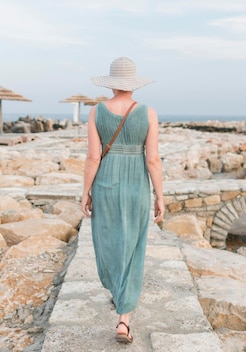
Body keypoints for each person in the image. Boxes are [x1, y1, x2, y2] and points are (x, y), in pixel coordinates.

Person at [81, 57, 164, 344]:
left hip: (105, 183)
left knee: (107, 241)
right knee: (133, 245)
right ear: (133, 84)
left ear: (112, 82)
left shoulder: (96, 112)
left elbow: (93, 157)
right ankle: (124, 318)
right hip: (136, 186)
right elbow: (152, 159)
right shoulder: (148, 113)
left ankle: (120, 298)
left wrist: (86, 191)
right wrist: (160, 196)